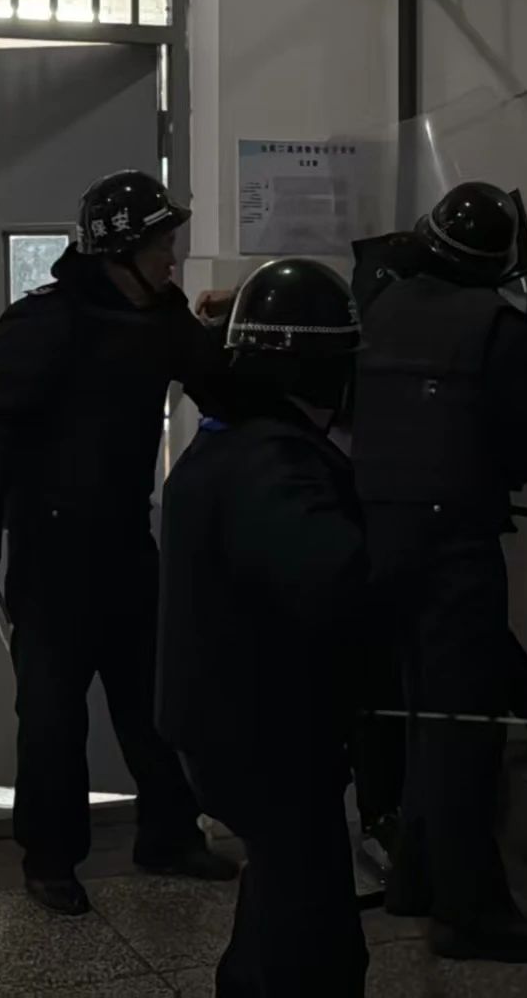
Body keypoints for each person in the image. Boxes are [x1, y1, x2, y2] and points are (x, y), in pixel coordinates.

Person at [0, 169, 237, 915]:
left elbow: (225, 390)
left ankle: (168, 836)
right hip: (50, 553)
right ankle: (50, 859)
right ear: (121, 252)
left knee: (153, 702)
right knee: (52, 716)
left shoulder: (162, 318)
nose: (172, 257)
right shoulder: (44, 321)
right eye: (161, 244)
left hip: (126, 541)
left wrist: (248, 332)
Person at [353, 181, 527, 962]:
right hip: (456, 549)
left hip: (376, 538)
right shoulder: (497, 328)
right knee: (464, 733)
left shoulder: (378, 308)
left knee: (418, 718)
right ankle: (470, 911)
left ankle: (414, 877)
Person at [158, 257, 370, 995]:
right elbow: (333, 584)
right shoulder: (274, 462)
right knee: (309, 938)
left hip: (229, 722)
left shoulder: (231, 437)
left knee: (286, 901)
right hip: (265, 731)